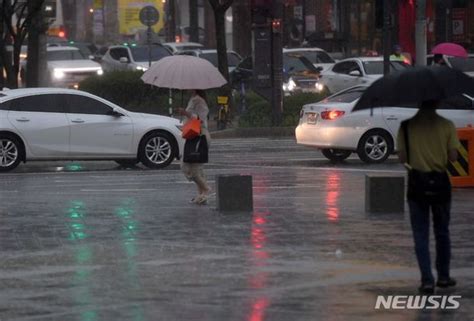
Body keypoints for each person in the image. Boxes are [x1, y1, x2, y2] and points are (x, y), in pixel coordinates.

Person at [396, 101, 460, 294]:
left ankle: (427, 280)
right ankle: (444, 276)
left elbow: (401, 158)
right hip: (440, 184)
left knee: (420, 234)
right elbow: (454, 157)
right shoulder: (446, 125)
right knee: (442, 232)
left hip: (417, 185)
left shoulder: (406, 126)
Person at [177, 90, 212, 205]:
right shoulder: (192, 100)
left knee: (190, 168)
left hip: (199, 136)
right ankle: (201, 194)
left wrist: (186, 113)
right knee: (194, 168)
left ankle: (206, 189)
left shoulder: (199, 101)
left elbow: (201, 119)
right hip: (192, 136)